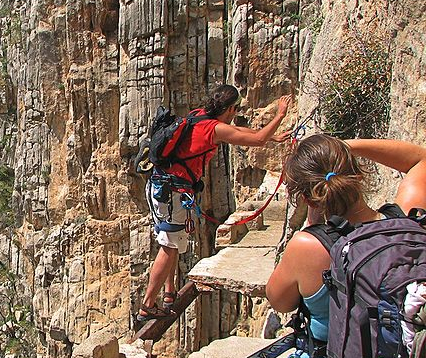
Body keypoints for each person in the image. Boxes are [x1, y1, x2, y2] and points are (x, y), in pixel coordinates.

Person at [138, 85, 293, 321]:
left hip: (160, 186)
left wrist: (271, 135)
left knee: (170, 240)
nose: (235, 113)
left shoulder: (199, 115)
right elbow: (256, 140)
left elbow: (239, 131)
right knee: (169, 247)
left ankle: (169, 293)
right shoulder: (215, 129)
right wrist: (280, 114)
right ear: (230, 108)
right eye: (235, 109)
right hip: (172, 192)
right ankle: (148, 305)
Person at [266, 134, 426, 355]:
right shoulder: (407, 217)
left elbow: (279, 302)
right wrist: (346, 147)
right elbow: (420, 160)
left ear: (308, 199)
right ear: (358, 175)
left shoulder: (307, 246)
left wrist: (314, 226)